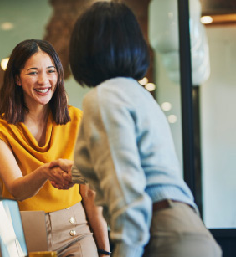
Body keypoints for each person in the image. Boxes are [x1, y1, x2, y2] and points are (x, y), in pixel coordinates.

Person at [53, 2, 222, 257]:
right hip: (184, 228)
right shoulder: (138, 94)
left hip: (162, 233)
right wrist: (75, 172)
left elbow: (126, 190)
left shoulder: (104, 98)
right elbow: (140, 167)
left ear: (85, 48)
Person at [0, 39, 110, 257]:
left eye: (51, 71)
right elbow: (17, 190)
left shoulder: (78, 120)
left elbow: (89, 193)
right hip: (20, 235)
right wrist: (44, 172)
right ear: (17, 79)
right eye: (33, 73)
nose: (44, 81)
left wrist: (105, 250)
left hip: (75, 231)